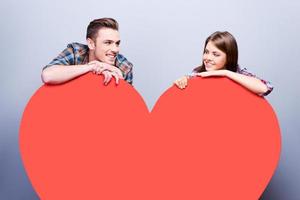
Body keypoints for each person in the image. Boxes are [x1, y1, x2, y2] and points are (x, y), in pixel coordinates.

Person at [174, 31, 273, 96]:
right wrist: (182, 80)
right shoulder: (198, 73)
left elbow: (264, 88)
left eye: (215, 54)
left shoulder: (239, 73)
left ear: (229, 57)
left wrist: (225, 73)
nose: (207, 58)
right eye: (206, 52)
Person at [41, 18, 133, 85]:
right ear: (91, 44)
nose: (115, 49)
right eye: (108, 43)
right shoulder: (76, 52)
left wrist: (120, 80)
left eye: (117, 43)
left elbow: (128, 105)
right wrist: (91, 67)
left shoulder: (124, 66)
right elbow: (48, 75)